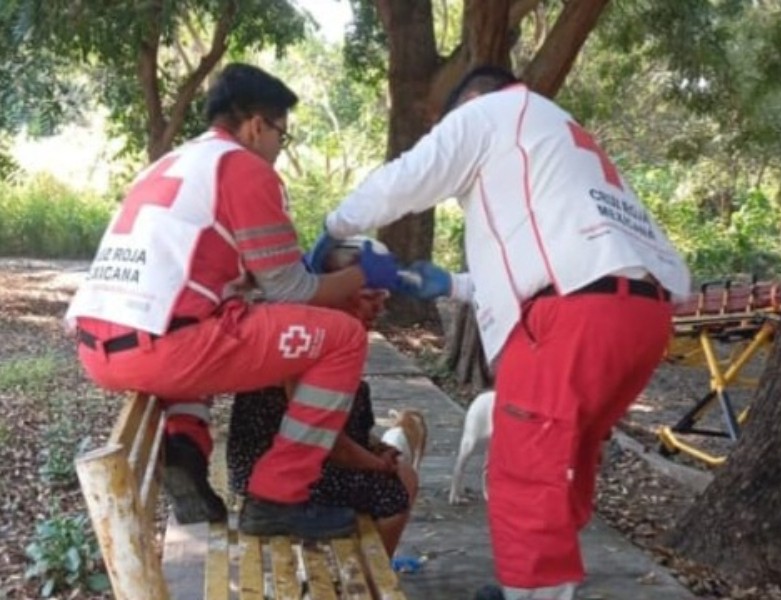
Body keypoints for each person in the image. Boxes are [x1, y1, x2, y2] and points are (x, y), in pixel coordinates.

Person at [313, 65, 691, 599]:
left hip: (572, 318)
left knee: (523, 473)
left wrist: (333, 228)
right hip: (640, 318)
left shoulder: (490, 111)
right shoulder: (557, 133)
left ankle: (534, 592)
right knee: (566, 461)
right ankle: (545, 588)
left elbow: (405, 177)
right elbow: (550, 262)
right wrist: (451, 284)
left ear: (469, 101)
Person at [64, 63, 404, 540]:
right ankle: (278, 496)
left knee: (213, 316)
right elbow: (290, 291)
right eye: (282, 135)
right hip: (163, 349)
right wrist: (363, 274)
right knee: (343, 338)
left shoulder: (171, 163)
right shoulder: (244, 168)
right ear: (257, 126)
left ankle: (185, 446)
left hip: (100, 348)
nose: (279, 150)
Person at [228, 242, 418, 555]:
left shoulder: (327, 332)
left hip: (299, 460)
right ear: (336, 290)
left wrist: (375, 448)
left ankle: (365, 570)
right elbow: (326, 441)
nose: (378, 309)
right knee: (393, 493)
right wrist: (376, 463)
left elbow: (328, 428)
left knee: (403, 473)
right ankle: (367, 576)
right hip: (272, 476)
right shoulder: (308, 335)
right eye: (368, 297)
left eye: (382, 299)